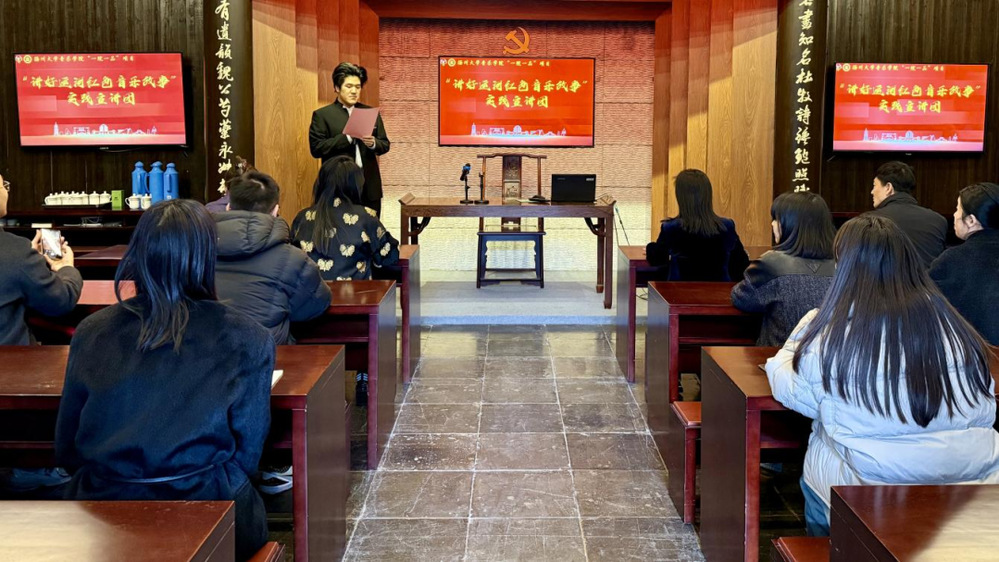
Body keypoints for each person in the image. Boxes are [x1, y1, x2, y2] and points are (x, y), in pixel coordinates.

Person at [54, 199, 273, 560]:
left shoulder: (92, 331)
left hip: (101, 506)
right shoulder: (248, 337)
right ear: (206, 257)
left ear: (139, 254)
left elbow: (66, 447)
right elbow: (248, 455)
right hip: (207, 503)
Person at [766, 215, 999, 537]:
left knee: (819, 466)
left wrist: (797, 340)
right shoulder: (957, 328)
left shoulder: (832, 332)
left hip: (866, 494)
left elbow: (793, 391)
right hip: (970, 492)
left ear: (843, 267)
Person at [215, 169, 331, 344]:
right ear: (276, 210)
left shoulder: (198, 251)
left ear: (228, 207)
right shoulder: (294, 259)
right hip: (267, 356)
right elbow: (317, 304)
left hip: (205, 355)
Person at [731, 191, 835, 346]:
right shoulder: (843, 264)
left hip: (779, 356)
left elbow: (741, 298)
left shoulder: (770, 264)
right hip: (829, 357)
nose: (772, 224)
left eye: (776, 219)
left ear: (790, 224)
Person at [0, 173, 83, 345]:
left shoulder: (18, 253)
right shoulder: (15, 251)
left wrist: (28, 258)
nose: (7, 192)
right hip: (11, 360)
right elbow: (60, 301)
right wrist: (66, 268)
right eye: (4, 186)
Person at [292, 156, 400, 281]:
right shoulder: (365, 216)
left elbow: (291, 258)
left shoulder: (302, 217)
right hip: (355, 292)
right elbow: (388, 256)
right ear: (356, 185)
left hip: (310, 291)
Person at [308, 62, 390, 216]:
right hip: (337, 186)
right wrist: (347, 138)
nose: (354, 91)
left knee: (371, 227)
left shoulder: (369, 112)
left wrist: (373, 143)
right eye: (349, 86)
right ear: (337, 88)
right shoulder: (323, 115)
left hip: (369, 186)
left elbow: (385, 144)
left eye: (358, 87)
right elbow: (316, 148)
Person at [645, 169, 749, 281]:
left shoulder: (671, 228)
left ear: (681, 198)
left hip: (680, 291)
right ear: (708, 194)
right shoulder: (727, 226)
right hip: (720, 291)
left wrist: (650, 247)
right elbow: (741, 264)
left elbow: (657, 259)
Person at [929, 182, 999, 344]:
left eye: (957, 209)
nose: (954, 215)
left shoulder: (951, 260)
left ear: (971, 221)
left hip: (971, 354)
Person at [868, 160, 947, 268]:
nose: (872, 192)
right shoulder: (938, 220)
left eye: (874, 186)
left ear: (888, 188)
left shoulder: (869, 221)